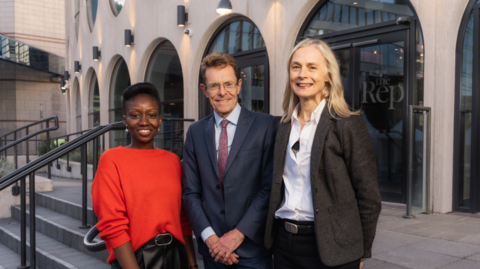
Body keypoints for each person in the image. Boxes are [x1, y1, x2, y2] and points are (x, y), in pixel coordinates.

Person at [264, 38, 382, 269]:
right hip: (284, 245)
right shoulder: (282, 126)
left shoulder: (347, 124)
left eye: (312, 67)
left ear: (328, 75)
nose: (302, 74)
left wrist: (361, 252)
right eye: (296, 66)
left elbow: (368, 197)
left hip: (333, 249)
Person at [182, 52, 277, 269]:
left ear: (239, 85)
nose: (222, 92)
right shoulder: (195, 133)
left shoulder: (266, 126)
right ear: (204, 90)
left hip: (254, 250)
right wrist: (211, 240)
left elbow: (270, 189)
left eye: (228, 84)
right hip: (213, 253)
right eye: (214, 86)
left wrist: (237, 235)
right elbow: (190, 193)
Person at [92, 83, 197, 269]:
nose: (144, 121)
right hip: (135, 259)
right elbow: (113, 225)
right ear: (125, 120)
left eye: (151, 114)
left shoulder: (173, 161)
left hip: (176, 256)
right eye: (135, 115)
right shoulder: (111, 160)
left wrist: (192, 262)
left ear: (160, 120)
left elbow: (183, 218)